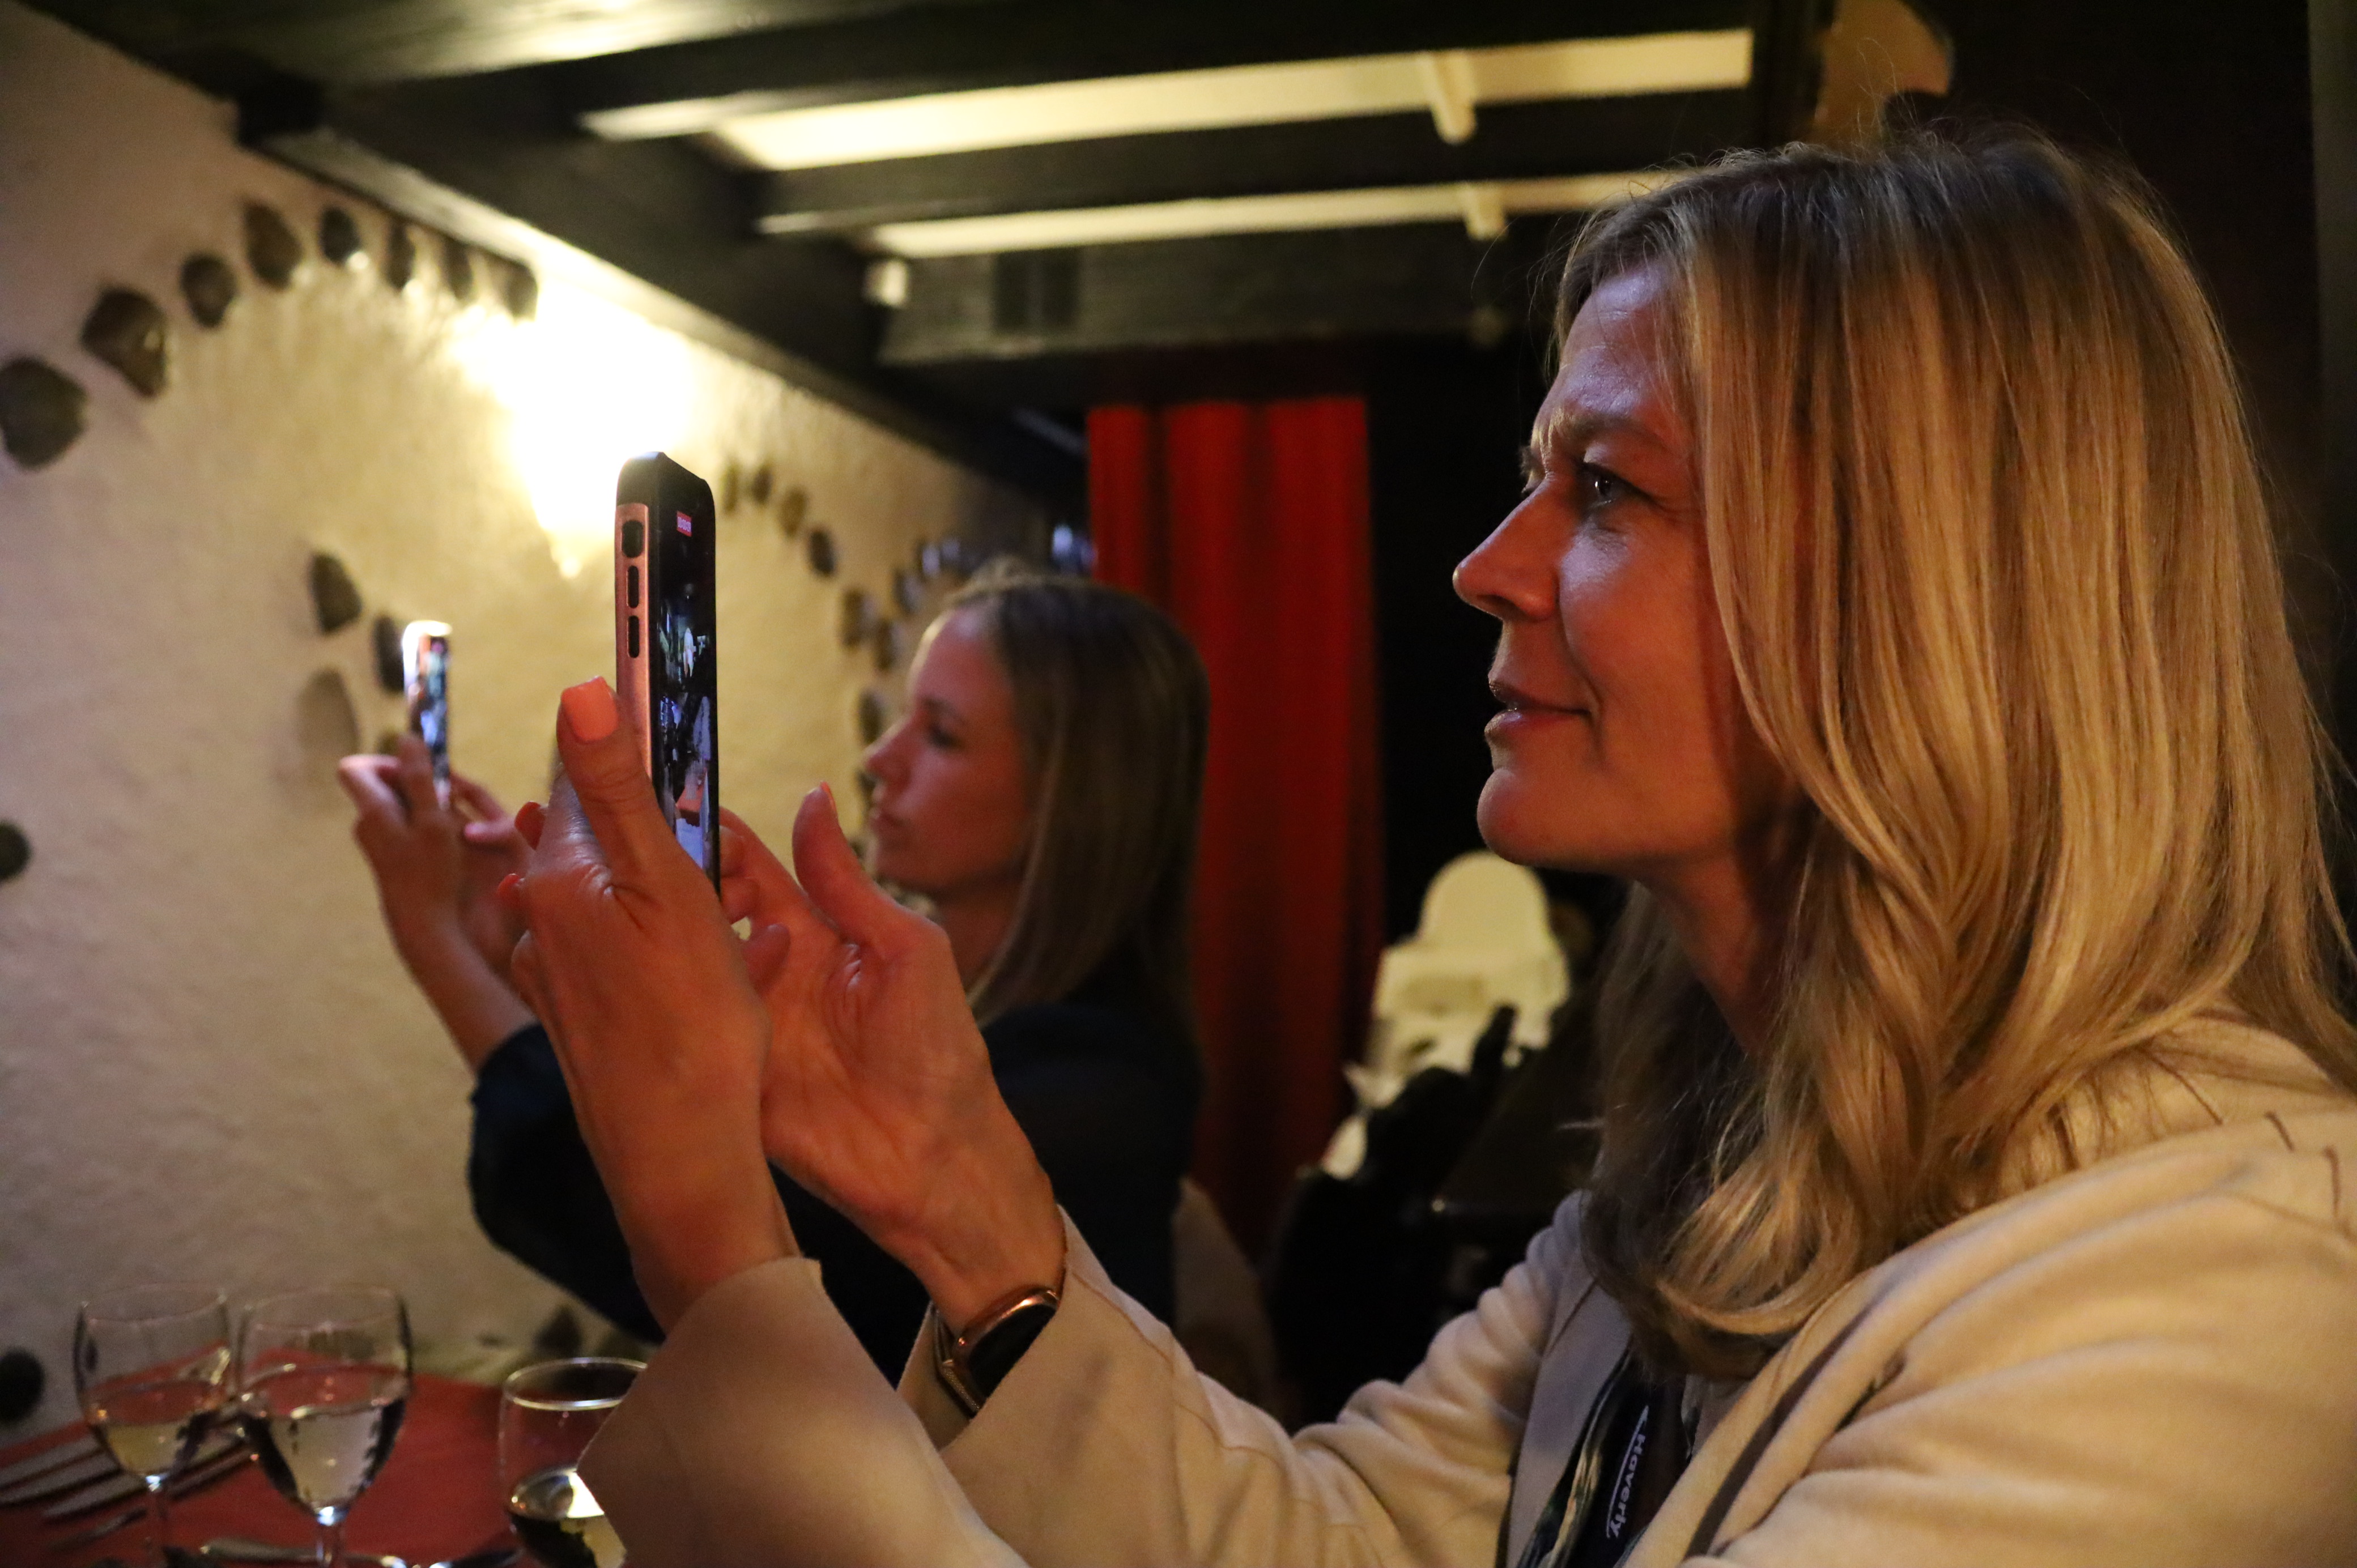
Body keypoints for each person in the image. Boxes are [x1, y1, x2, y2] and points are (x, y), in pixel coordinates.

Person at [499, 131, 2357, 1566]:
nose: (1485, 565)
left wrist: (716, 1249)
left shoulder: (2220, 1301)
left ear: (1925, 597)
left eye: (1608, 486)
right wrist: (961, 1198)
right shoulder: (1706, 1179)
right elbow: (1344, 1542)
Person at [337, 566, 1207, 1372]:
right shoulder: (948, 1013)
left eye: (942, 734)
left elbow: (710, 1265)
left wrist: (434, 943)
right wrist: (510, 953)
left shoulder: (1096, 1087)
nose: (879, 759)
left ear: (1073, 799)